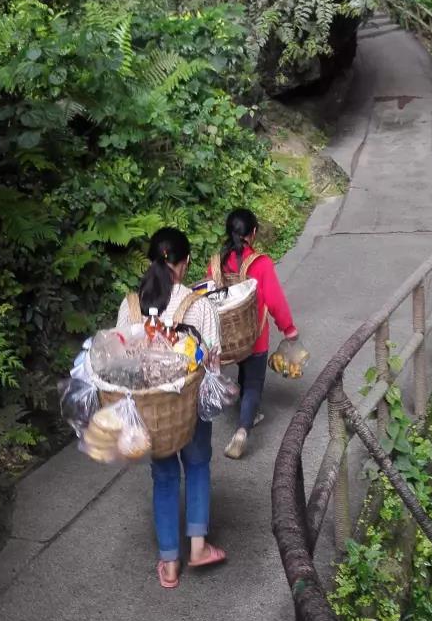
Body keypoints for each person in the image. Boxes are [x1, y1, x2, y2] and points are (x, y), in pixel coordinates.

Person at [117, 227, 226, 589]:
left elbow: (120, 363)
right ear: (186, 263)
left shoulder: (130, 306)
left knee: (163, 476)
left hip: (153, 413)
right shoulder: (200, 306)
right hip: (190, 408)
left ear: (151, 262)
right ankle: (197, 546)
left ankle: (169, 561)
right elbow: (214, 364)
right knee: (196, 465)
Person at [209, 208, 298, 460]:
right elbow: (276, 300)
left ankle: (248, 412)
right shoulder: (260, 264)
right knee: (254, 385)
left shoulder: (216, 263)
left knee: (243, 369)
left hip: (229, 338)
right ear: (254, 233)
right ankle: (242, 431)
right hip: (256, 337)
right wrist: (288, 328)